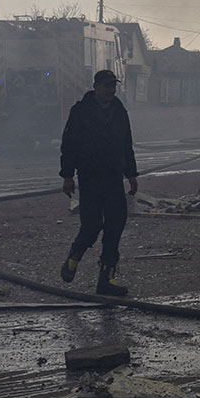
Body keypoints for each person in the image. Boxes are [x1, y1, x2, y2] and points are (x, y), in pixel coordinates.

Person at [57, 69, 139, 296]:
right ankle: (74, 257)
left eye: (113, 86)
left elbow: (126, 143)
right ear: (95, 87)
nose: (110, 91)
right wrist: (67, 175)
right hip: (90, 177)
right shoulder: (81, 111)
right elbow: (69, 144)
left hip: (113, 177)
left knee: (116, 224)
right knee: (92, 226)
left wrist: (131, 174)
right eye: (106, 86)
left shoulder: (119, 110)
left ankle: (106, 279)